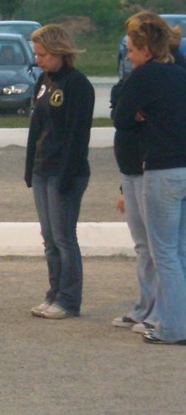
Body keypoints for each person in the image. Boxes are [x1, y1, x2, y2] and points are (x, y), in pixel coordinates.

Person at [114, 11, 186, 345]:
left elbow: (121, 118)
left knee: (164, 254)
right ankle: (178, 323)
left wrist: (141, 115)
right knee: (180, 252)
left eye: (131, 49)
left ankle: (171, 327)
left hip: (162, 169)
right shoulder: (180, 73)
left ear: (145, 48)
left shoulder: (144, 76)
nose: (129, 56)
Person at [24, 24, 95, 319]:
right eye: (36, 54)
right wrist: (29, 166)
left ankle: (69, 300)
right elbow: (36, 128)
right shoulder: (43, 81)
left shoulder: (78, 85)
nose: (38, 60)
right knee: (49, 239)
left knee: (64, 238)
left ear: (59, 51)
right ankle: (53, 293)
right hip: (42, 169)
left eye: (42, 54)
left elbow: (78, 136)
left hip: (65, 173)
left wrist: (66, 176)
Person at [109, 73, 159, 334]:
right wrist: (122, 188)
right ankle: (144, 307)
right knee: (142, 246)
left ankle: (160, 311)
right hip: (129, 173)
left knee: (157, 247)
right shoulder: (125, 86)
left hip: (149, 173)